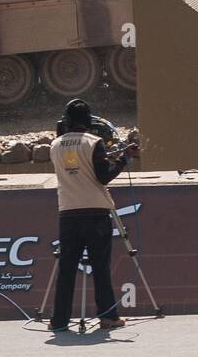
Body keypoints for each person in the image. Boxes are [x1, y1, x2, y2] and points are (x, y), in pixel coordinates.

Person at [49, 98, 140, 332]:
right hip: (96, 213)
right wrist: (123, 158)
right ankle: (108, 317)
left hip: (68, 213)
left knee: (67, 269)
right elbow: (103, 176)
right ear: (88, 120)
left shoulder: (55, 146)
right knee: (100, 268)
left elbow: (76, 169)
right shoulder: (94, 142)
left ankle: (59, 320)